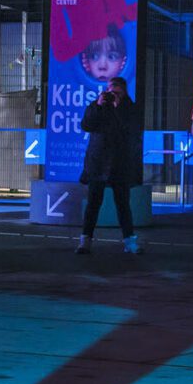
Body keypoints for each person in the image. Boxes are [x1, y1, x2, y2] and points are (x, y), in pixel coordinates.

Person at [76, 75, 144, 255]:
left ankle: (130, 242)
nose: (112, 94)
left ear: (123, 91)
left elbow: (132, 130)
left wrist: (118, 107)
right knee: (93, 204)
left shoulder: (129, 108)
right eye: (110, 90)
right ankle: (85, 241)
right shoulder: (98, 105)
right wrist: (98, 105)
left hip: (120, 163)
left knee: (123, 204)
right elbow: (86, 125)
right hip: (98, 162)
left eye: (116, 92)